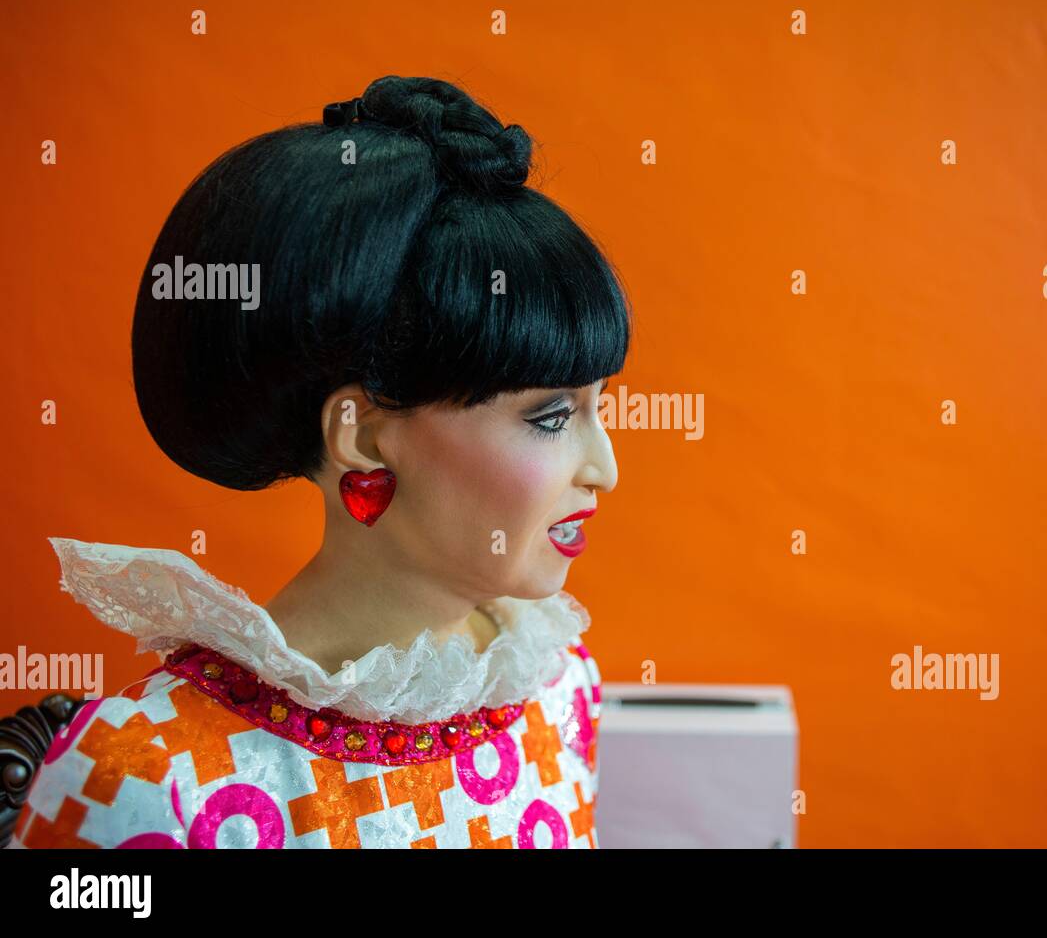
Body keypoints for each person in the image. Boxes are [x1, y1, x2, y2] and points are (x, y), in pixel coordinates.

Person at [11, 74, 629, 849]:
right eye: (551, 416)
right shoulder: (144, 777)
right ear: (365, 438)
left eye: (599, 406)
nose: (604, 467)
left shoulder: (557, 683)